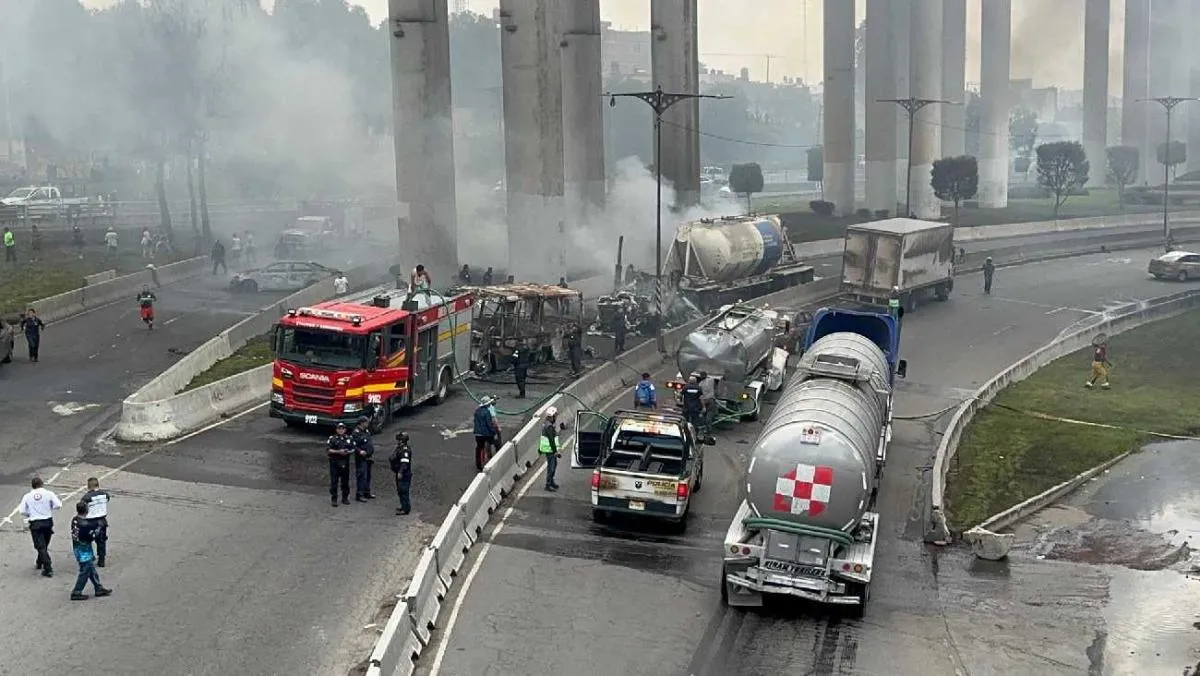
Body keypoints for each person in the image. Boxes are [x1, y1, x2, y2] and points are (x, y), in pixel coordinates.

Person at [19, 476, 62, 578]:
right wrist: (49, 508)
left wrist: (30, 513)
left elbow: (22, 510)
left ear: (32, 486)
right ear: (42, 484)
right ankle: (39, 562)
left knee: (40, 546)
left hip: (35, 523)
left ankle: (48, 567)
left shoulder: (27, 496)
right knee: (44, 545)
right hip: (47, 522)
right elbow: (58, 505)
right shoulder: (49, 493)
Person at [69, 500, 112, 601]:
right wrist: (99, 528)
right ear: (86, 510)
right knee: (85, 571)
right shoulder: (85, 525)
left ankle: (98, 587)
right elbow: (92, 537)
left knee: (91, 569)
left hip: (77, 547)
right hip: (84, 551)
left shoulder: (75, 520)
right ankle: (77, 591)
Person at [82, 477, 111, 567]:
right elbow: (107, 500)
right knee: (101, 541)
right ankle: (101, 560)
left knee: (87, 540)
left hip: (90, 522)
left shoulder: (87, 497)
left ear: (89, 486)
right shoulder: (105, 494)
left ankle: (90, 557)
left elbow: (82, 507)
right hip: (102, 521)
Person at [538, 406, 567, 492]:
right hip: (550, 450)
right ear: (552, 416)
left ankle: (551, 482)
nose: (556, 417)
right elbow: (551, 440)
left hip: (549, 449)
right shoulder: (549, 426)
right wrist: (555, 451)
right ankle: (548, 484)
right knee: (551, 467)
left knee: (554, 465)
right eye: (555, 416)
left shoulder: (546, 423)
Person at [327, 422, 354, 506]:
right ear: (336, 430)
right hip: (334, 462)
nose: (341, 430)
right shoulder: (332, 439)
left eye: (343, 428)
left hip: (345, 462)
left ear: (345, 429)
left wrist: (348, 451)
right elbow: (329, 450)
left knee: (345, 481)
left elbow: (353, 449)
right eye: (339, 428)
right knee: (334, 481)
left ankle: (345, 498)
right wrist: (339, 452)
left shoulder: (349, 438)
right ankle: (334, 499)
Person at [473, 396, 501, 470]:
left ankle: (479, 465)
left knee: (479, 448)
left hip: (478, 433)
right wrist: (494, 432)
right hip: (486, 433)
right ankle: (498, 457)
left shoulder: (477, 411)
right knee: (496, 443)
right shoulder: (487, 412)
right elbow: (489, 424)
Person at [351, 416, 376, 502]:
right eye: (366, 422)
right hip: (361, 458)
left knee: (368, 476)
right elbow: (353, 445)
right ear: (361, 423)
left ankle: (367, 492)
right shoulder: (356, 433)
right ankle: (359, 494)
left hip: (368, 457)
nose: (367, 424)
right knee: (362, 475)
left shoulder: (366, 431)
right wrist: (359, 451)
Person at [389, 431, 413, 515]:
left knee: (403, 491)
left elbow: (404, 463)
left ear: (402, 440)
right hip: (399, 472)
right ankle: (403, 506)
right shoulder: (400, 448)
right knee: (400, 490)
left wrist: (400, 472)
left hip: (404, 474)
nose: (398, 441)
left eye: (399, 439)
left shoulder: (405, 450)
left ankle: (406, 509)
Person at [697, 370, 717, 435]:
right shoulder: (711, 380)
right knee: (708, 417)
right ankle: (707, 430)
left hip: (706, 402)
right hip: (711, 401)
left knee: (705, 418)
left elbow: (700, 397)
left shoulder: (700, 384)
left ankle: (706, 430)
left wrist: (703, 406)